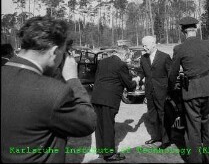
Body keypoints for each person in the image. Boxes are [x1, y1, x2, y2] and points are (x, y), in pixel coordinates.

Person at [1, 16, 97, 163]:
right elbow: (88, 122)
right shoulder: (53, 92)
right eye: (63, 52)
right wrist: (73, 79)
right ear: (54, 52)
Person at [168, 16, 209, 163]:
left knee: (193, 131)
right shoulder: (207, 44)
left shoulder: (179, 48)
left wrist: (171, 88)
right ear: (196, 29)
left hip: (191, 92)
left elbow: (172, 75)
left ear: (182, 31)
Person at [91, 47, 139, 162]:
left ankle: (101, 152)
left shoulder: (102, 62)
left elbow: (97, 78)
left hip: (96, 97)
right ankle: (110, 154)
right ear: (123, 55)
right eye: (127, 56)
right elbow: (129, 85)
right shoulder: (121, 64)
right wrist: (136, 80)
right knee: (108, 125)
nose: (126, 59)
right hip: (109, 99)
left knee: (100, 126)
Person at [136, 35, 172, 149]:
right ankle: (156, 137)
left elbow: (171, 75)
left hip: (162, 91)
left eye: (145, 45)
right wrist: (137, 78)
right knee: (152, 116)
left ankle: (166, 140)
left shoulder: (165, 57)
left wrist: (169, 91)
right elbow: (141, 72)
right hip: (149, 91)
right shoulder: (143, 58)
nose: (144, 48)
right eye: (143, 46)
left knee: (162, 115)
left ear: (153, 44)